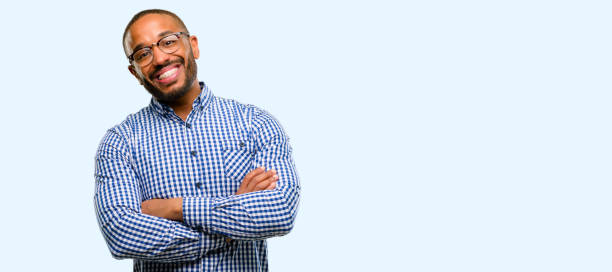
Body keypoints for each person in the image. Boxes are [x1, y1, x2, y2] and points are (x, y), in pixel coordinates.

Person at [93, 9, 300, 271]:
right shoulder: (119, 142)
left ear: (193, 46)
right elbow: (121, 235)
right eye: (143, 54)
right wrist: (230, 228)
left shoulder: (256, 124)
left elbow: (279, 212)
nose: (158, 58)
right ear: (135, 72)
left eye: (168, 41)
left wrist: (175, 208)